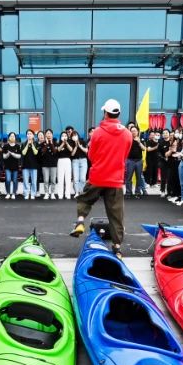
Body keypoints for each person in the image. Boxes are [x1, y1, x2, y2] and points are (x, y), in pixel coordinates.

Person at [70, 99, 132, 256]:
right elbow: (125, 155)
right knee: (116, 214)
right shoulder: (127, 134)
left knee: (84, 199)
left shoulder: (97, 132)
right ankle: (117, 248)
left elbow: (91, 155)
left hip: (98, 176)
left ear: (105, 113)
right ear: (118, 113)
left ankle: (80, 222)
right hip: (116, 179)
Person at [0, 132, 22, 199]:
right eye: (11, 136)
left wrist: (13, 154)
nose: (12, 137)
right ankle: (8, 193)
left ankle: (14, 193)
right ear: (8, 137)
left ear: (15, 138)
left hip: (15, 166)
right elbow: (4, 157)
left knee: (15, 180)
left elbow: (19, 156)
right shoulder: (5, 146)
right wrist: (8, 154)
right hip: (7, 166)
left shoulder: (17, 146)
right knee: (8, 180)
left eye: (13, 136)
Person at [125, 128, 145, 198]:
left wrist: (139, 142)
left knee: (138, 178)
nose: (133, 132)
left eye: (135, 131)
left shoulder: (141, 139)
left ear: (137, 132)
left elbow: (144, 149)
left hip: (139, 161)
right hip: (130, 161)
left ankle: (137, 192)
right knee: (128, 178)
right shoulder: (127, 139)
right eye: (132, 131)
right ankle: (128, 193)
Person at [21, 130, 41, 200]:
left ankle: (33, 193)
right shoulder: (23, 143)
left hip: (34, 165)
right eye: (28, 134)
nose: (29, 135)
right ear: (26, 135)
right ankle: (26, 193)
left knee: (34, 181)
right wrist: (27, 144)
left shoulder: (36, 143)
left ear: (33, 135)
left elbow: (36, 152)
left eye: (30, 134)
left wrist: (32, 144)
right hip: (25, 164)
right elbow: (23, 153)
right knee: (25, 181)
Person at [39, 129, 58, 200]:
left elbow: (55, 152)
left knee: (53, 180)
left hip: (53, 164)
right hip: (45, 164)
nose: (49, 135)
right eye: (47, 133)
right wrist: (47, 144)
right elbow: (42, 152)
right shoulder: (42, 143)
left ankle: (52, 193)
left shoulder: (55, 143)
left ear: (52, 135)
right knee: (46, 180)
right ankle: (46, 193)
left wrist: (51, 143)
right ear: (45, 135)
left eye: (50, 133)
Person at [55, 130, 75, 199]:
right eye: (63, 136)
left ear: (67, 137)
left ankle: (67, 194)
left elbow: (71, 150)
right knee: (60, 178)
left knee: (68, 178)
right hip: (60, 161)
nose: (64, 137)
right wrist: (63, 143)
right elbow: (58, 150)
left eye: (65, 136)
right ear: (60, 137)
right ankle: (60, 194)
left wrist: (66, 143)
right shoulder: (58, 143)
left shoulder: (69, 142)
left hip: (67, 160)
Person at [69, 129, 89, 194]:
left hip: (83, 160)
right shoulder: (71, 143)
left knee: (83, 178)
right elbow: (72, 154)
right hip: (75, 161)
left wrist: (80, 146)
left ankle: (81, 192)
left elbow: (86, 151)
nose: (74, 136)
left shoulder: (82, 141)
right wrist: (75, 146)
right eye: (73, 136)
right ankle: (77, 192)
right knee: (76, 178)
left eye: (75, 135)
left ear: (78, 135)